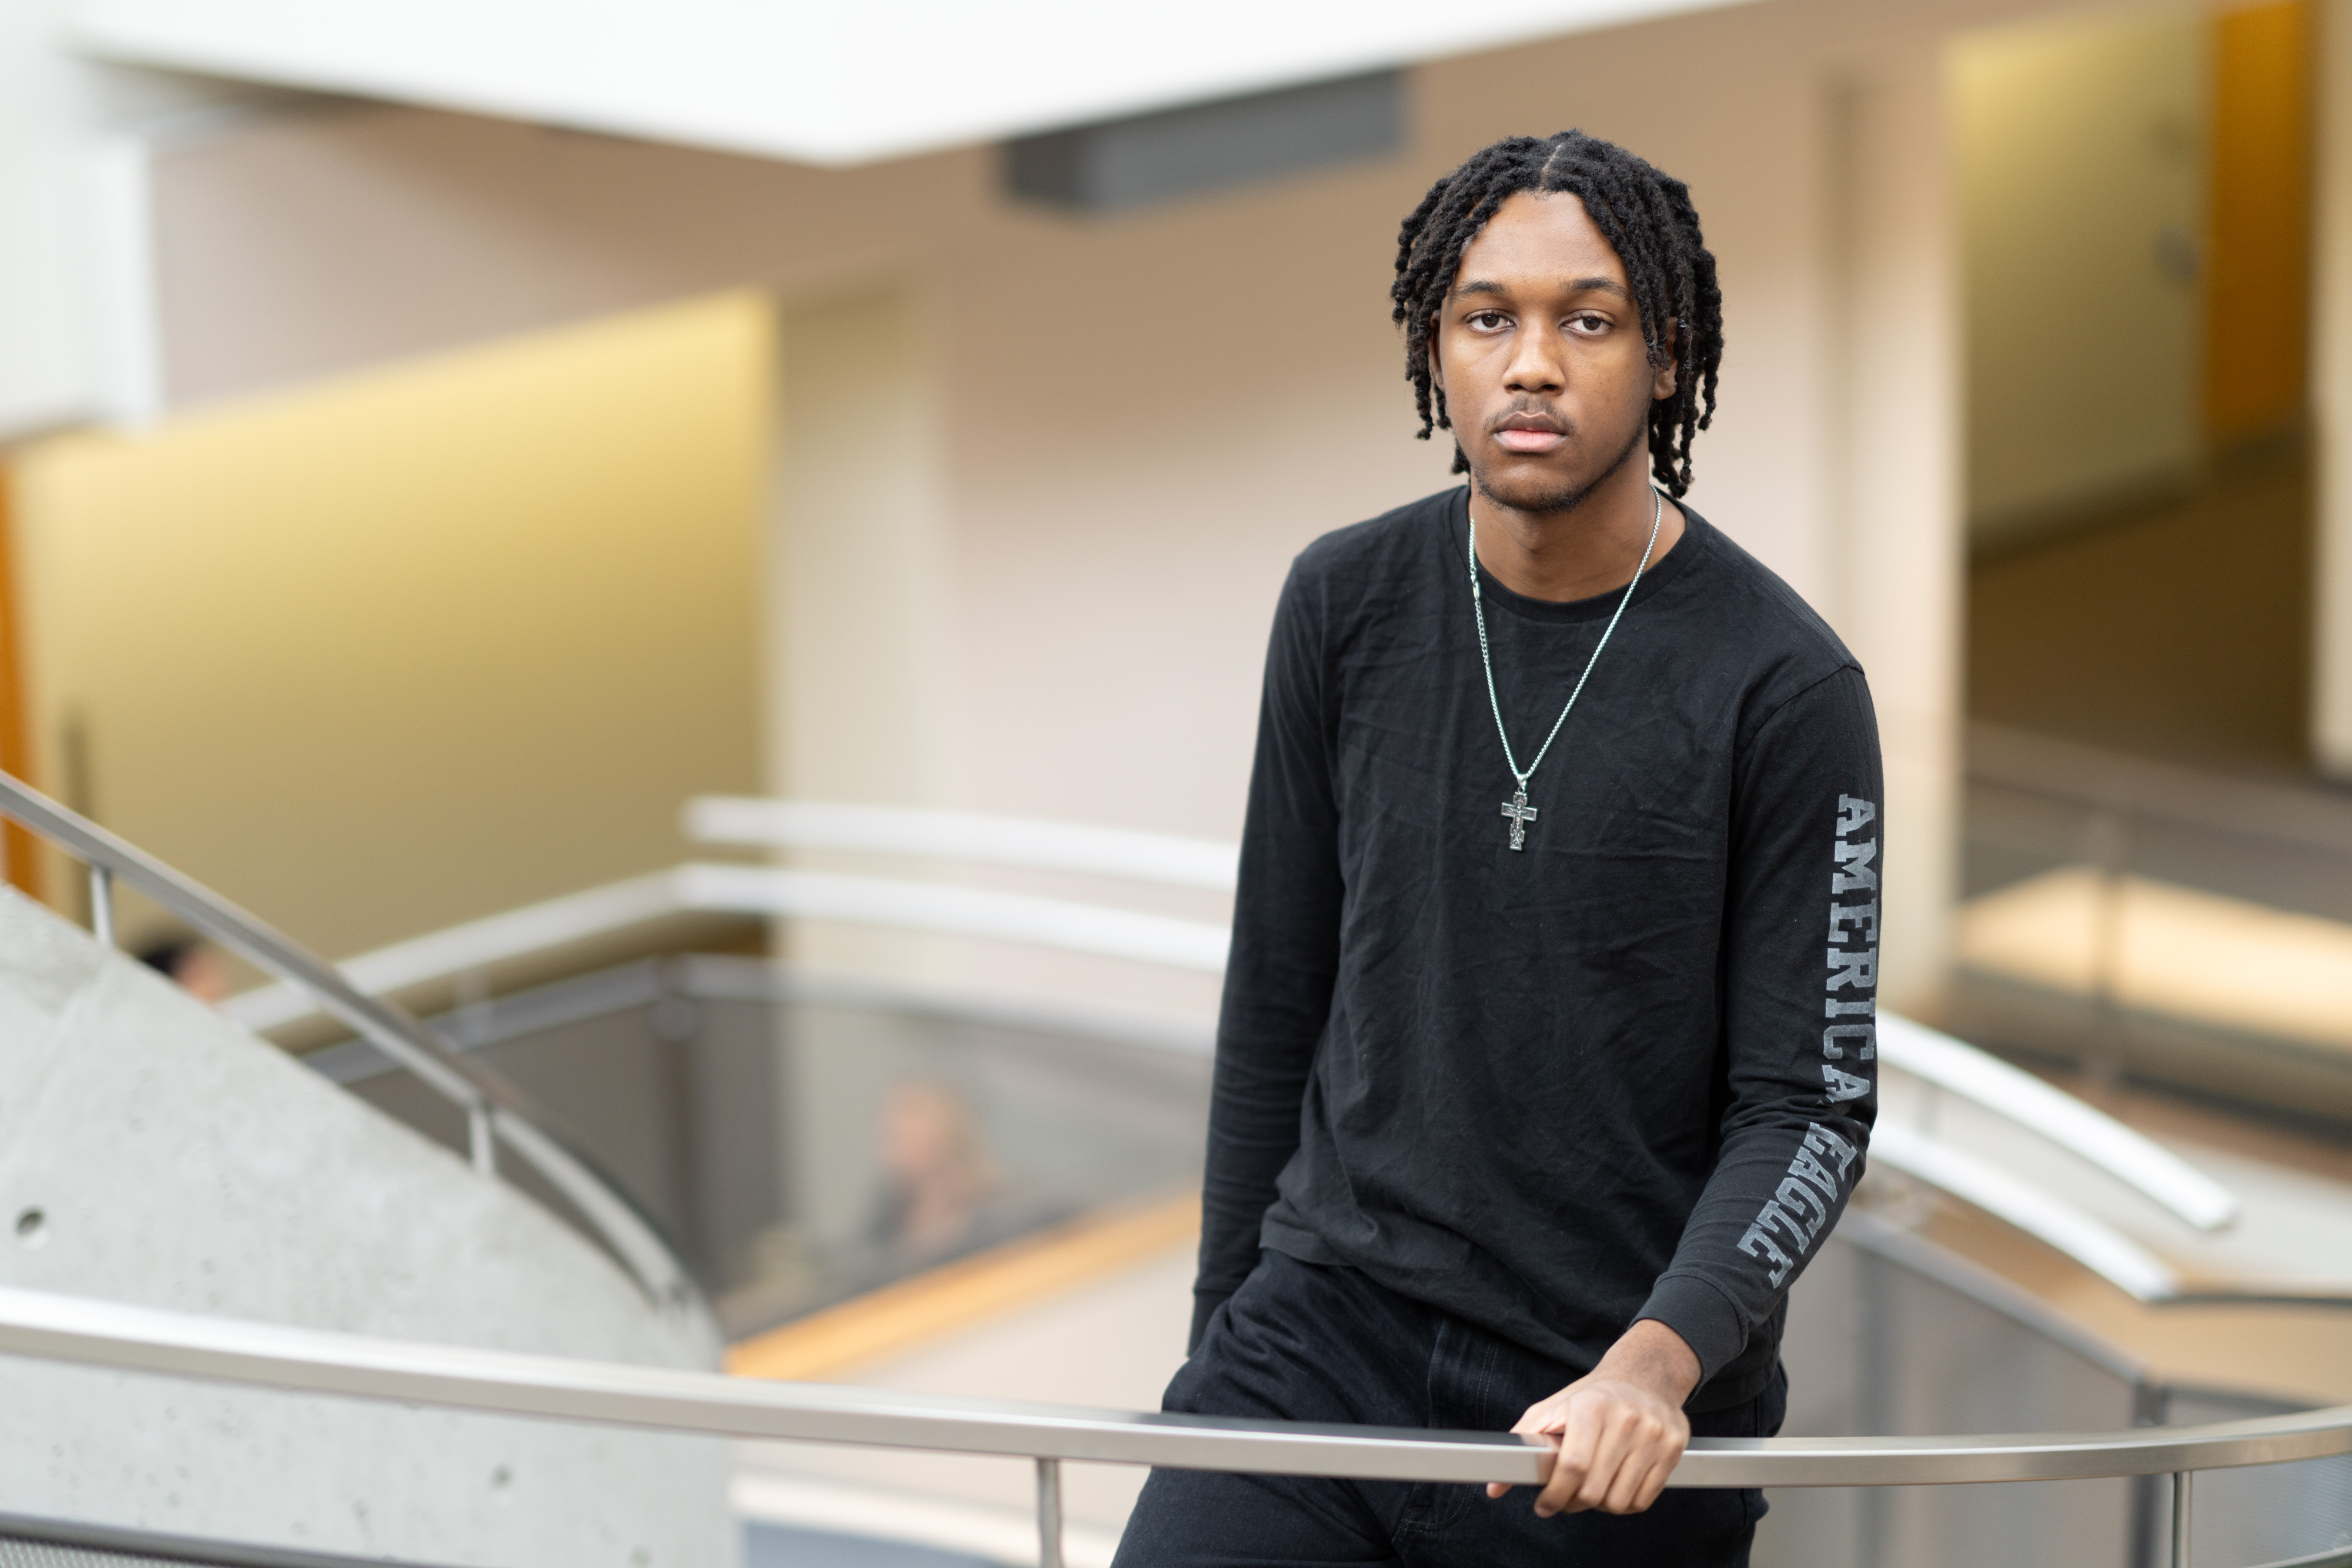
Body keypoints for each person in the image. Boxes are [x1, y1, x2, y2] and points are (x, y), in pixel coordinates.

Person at [1114, 130, 1882, 1567]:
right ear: (1436, 349)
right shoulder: (1343, 602)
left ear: (1665, 358)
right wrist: (1215, 1354)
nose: (1530, 363)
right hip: (1317, 1337)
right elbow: (1275, 996)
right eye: (1487, 318)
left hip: (1598, 1403)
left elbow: (1808, 1107)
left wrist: (1660, 1362)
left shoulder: (1783, 688)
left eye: (1585, 320)